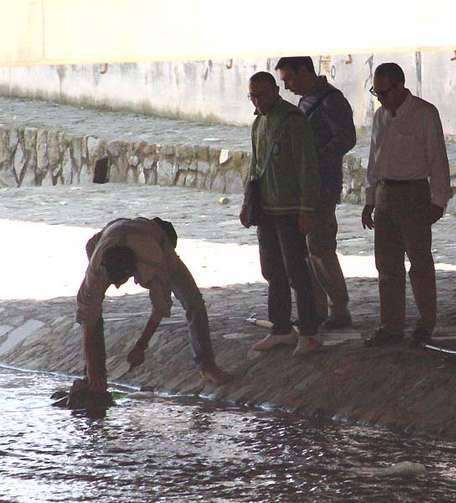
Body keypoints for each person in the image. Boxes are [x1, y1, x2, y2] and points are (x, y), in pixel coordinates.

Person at [76, 217, 231, 392]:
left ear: (133, 271)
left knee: (194, 302)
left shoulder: (156, 260)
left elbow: (160, 308)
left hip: (154, 239)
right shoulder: (98, 264)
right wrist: (93, 373)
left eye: (123, 281)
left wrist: (141, 346)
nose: (119, 286)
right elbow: (87, 315)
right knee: (92, 313)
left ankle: (207, 366)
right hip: (111, 233)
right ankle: (93, 374)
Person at [361, 63, 452, 346]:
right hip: (386, 193)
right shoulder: (380, 117)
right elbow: (374, 159)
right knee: (387, 265)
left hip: (414, 192)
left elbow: (437, 157)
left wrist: (438, 199)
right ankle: (391, 326)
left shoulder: (425, 114)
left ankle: (426, 323)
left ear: (400, 86)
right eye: (376, 91)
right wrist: (370, 199)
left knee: (420, 262)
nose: (380, 98)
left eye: (384, 91)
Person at [240, 71, 322, 356]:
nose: (257, 100)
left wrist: (306, 208)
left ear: (275, 91)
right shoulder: (258, 123)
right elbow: (255, 165)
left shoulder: (292, 121)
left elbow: (306, 167)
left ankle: (309, 332)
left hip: (289, 208)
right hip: (266, 208)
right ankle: (281, 328)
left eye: (261, 94)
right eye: (252, 95)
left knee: (297, 271)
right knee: (272, 270)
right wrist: (247, 202)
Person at [275, 56, 356, 329]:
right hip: (303, 186)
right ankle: (318, 309)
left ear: (305, 71)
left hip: (322, 185)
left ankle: (338, 309)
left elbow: (346, 138)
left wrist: (314, 159)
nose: (287, 86)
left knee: (320, 246)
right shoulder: (306, 100)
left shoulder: (331, 100)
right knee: (308, 249)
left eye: (289, 79)